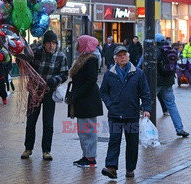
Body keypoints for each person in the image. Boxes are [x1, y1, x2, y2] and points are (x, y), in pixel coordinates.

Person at [100, 45, 151, 179]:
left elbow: (145, 93)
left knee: (132, 143)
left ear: (128, 57)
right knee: (114, 140)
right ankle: (111, 168)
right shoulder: (109, 74)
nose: (122, 57)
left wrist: (146, 109)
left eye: (124, 55)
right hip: (115, 114)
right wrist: (110, 105)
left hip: (132, 114)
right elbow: (103, 92)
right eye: (120, 55)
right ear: (115, 59)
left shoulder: (138, 73)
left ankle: (130, 169)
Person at [21, 30, 68, 161]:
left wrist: (54, 81)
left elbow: (65, 74)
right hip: (35, 92)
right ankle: (28, 148)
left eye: (54, 43)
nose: (51, 46)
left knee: (48, 123)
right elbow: (26, 65)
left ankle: (46, 151)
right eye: (49, 43)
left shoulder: (60, 56)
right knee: (31, 121)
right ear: (44, 43)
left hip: (49, 92)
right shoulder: (35, 52)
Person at [67, 35, 103, 168]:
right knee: (83, 131)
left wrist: (77, 93)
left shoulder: (91, 59)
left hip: (88, 101)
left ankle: (90, 158)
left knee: (88, 130)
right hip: (83, 100)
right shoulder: (83, 58)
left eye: (79, 42)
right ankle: (86, 156)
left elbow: (91, 80)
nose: (77, 45)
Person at [155, 33, 189, 137]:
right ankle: (179, 128)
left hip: (157, 82)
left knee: (149, 104)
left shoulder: (155, 51)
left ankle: (147, 131)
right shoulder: (170, 50)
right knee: (172, 105)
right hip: (168, 81)